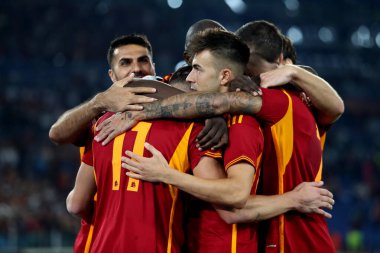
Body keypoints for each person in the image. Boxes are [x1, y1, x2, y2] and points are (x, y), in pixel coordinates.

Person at [98, 21, 343, 253]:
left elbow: (234, 202)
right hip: (241, 240)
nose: (190, 76)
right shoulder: (234, 113)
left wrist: (166, 173)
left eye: (197, 68)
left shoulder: (254, 115)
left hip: (279, 242)